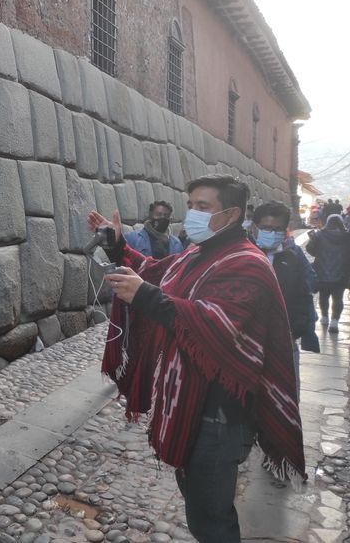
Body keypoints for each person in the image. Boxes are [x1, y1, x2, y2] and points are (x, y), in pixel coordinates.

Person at [89, 174, 305, 543]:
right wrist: (118, 245)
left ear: (231, 213)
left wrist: (145, 297)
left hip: (219, 417)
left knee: (211, 521)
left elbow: (216, 323)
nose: (192, 214)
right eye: (191, 206)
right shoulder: (200, 253)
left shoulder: (248, 263)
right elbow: (157, 272)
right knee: (200, 505)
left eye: (203, 207)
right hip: (193, 407)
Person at [250, 201, 316, 389]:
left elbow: (303, 297)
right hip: (248, 342)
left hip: (284, 343)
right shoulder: (241, 256)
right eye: (266, 228)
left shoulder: (291, 258)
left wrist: (296, 330)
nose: (271, 233)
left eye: (277, 229)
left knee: (287, 394)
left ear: (284, 230)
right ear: (254, 228)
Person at [306, 214, 350, 333]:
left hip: (322, 271)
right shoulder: (348, 236)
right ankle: (335, 321)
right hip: (341, 273)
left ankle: (325, 317)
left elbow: (310, 249)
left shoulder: (320, 234)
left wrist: (313, 240)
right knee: (338, 298)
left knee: (323, 295)